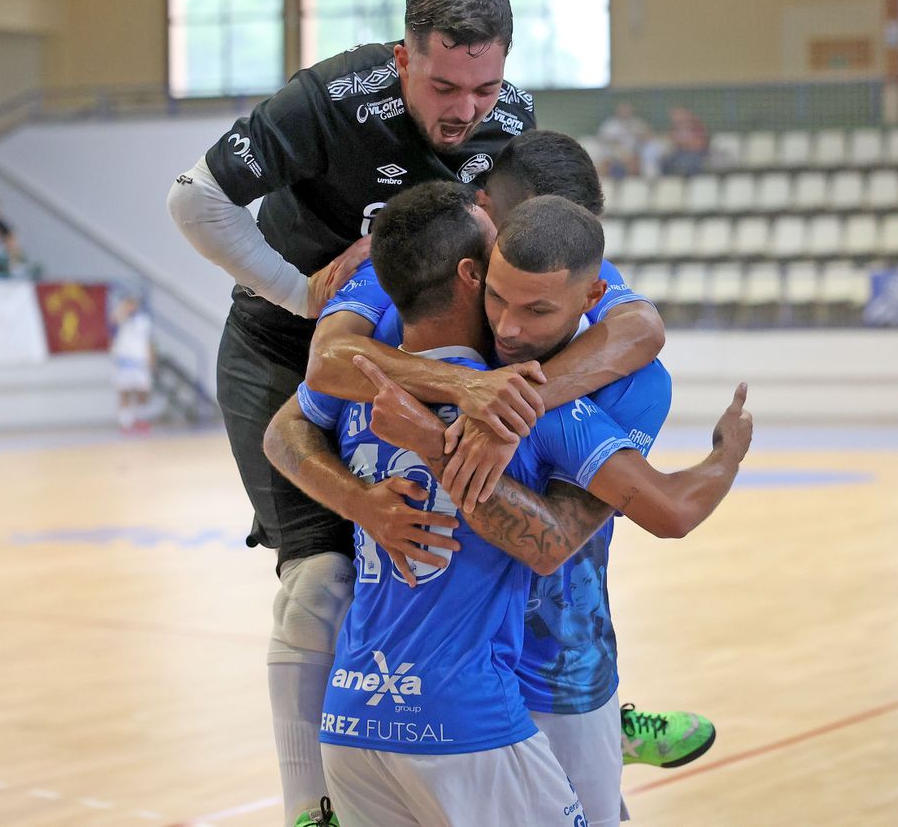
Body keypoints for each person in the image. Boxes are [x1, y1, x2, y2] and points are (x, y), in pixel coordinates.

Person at [165, 0, 544, 826]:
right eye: (443, 85)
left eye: (485, 87)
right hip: (287, 352)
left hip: (414, 349)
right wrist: (299, 293)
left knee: (504, 551)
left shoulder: (512, 121)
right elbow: (194, 201)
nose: (465, 110)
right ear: (403, 58)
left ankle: (577, 707)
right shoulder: (330, 99)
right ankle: (312, 812)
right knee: (322, 580)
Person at [263, 182, 753, 824]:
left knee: (313, 597)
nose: (512, 327)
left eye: (537, 310)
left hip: (373, 704)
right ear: (475, 273)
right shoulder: (529, 402)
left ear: (591, 294)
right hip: (468, 706)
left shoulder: (376, 375)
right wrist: (727, 455)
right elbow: (569, 537)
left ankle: (307, 806)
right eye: (498, 296)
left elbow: (296, 414)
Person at [110, 294, 155, 433]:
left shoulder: (143, 321)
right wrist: (122, 309)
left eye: (132, 304)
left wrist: (151, 357)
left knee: (142, 392)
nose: (130, 307)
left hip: (139, 361)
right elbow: (113, 320)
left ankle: (141, 420)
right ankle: (125, 423)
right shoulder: (121, 319)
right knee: (124, 392)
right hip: (124, 361)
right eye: (128, 305)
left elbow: (148, 340)